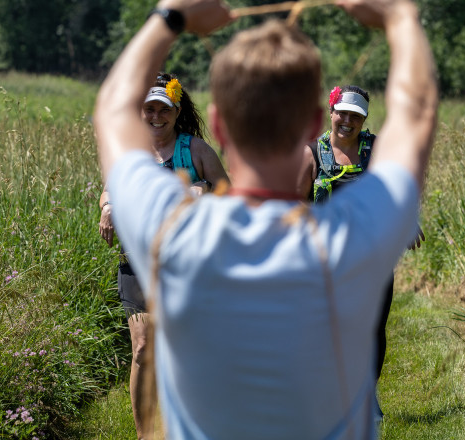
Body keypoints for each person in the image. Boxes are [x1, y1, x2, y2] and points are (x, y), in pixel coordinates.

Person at [95, 0, 438, 438]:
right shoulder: (354, 236)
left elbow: (112, 109)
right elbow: (417, 111)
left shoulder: (173, 233)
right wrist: (400, 17)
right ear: (316, 122)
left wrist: (170, 18)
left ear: (217, 125)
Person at [97, 72, 228, 439]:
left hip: (189, 264)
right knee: (142, 350)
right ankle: (145, 435)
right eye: (149, 109)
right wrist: (107, 208)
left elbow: (229, 195)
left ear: (176, 111)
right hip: (137, 261)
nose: (156, 116)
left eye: (163, 110)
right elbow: (108, 191)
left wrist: (204, 190)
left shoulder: (196, 150)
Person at [297, 84, 424, 421]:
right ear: (332, 112)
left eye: (356, 116)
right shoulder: (312, 154)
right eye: (343, 113)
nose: (348, 121)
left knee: (372, 329)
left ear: (364, 119)